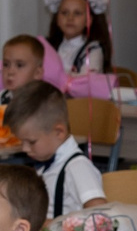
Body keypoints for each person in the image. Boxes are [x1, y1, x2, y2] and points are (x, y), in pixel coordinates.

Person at [6, 84, 107, 218]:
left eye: (31, 142)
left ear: (59, 132)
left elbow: (99, 213)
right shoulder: (46, 164)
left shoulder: (78, 167)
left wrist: (54, 225)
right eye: (21, 142)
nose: (24, 148)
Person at [44, 0, 113, 80]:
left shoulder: (93, 50)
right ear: (57, 20)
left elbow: (84, 82)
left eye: (77, 13)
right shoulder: (49, 47)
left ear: (88, 21)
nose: (70, 18)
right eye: (64, 13)